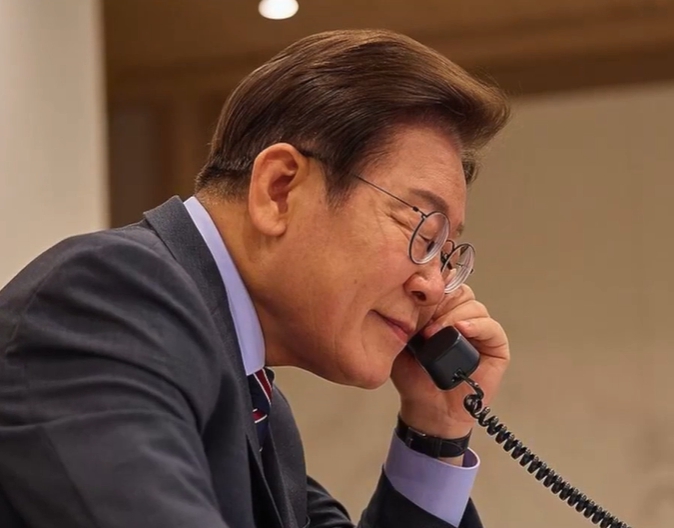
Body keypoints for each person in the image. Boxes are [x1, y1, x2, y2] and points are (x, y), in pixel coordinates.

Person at [0, 29, 511, 528]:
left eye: (445, 254)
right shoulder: (104, 301)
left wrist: (436, 431)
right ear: (279, 190)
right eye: (421, 230)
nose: (432, 287)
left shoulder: (261, 408)